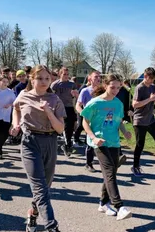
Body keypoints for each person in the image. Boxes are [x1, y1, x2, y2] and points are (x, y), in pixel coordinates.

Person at [11, 65, 68, 232]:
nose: (43, 82)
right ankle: (54, 231)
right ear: (32, 79)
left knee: (45, 187)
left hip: (50, 143)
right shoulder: (23, 96)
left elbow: (60, 129)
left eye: (46, 79)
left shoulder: (54, 99)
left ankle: (33, 214)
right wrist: (16, 124)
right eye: (39, 78)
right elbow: (16, 108)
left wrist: (48, 111)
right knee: (40, 189)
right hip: (29, 143)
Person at [81, 74, 132, 220]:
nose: (115, 90)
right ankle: (119, 206)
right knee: (109, 171)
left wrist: (125, 131)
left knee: (110, 173)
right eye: (112, 87)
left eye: (118, 87)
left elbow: (119, 121)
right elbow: (85, 122)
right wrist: (93, 137)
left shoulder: (118, 103)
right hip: (99, 142)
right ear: (105, 85)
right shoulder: (95, 103)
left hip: (114, 142)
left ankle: (103, 203)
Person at [76, 71, 101, 172]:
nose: (98, 79)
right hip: (90, 121)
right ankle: (88, 163)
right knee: (91, 142)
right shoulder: (85, 91)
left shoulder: (103, 91)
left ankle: (106, 162)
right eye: (96, 77)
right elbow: (78, 105)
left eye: (99, 77)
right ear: (90, 79)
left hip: (101, 120)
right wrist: (84, 114)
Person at [51, 67, 78, 157]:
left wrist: (75, 95)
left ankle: (67, 145)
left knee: (69, 128)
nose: (66, 76)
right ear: (60, 74)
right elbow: (50, 96)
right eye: (64, 74)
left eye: (67, 74)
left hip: (69, 107)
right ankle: (63, 145)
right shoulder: (55, 84)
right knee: (60, 127)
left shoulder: (72, 84)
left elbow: (76, 96)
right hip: (59, 107)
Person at [0, 76, 16, 159]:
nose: (5, 83)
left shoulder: (10, 92)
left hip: (6, 116)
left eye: (7, 82)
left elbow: (15, 102)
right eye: (4, 81)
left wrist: (10, 105)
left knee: (5, 135)